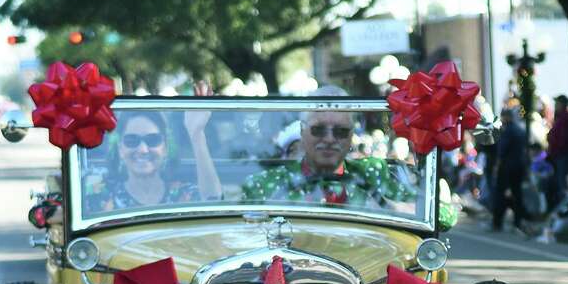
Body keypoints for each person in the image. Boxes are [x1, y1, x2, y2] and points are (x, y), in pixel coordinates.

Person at [243, 86, 412, 208]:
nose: (330, 139)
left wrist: (391, 209)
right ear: (302, 131)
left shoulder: (373, 173)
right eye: (318, 130)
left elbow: (425, 211)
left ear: (352, 135)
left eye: (340, 131)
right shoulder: (266, 184)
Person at [89, 83, 220, 214]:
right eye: (131, 141)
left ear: (166, 148)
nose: (143, 150)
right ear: (120, 149)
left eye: (153, 140)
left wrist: (196, 134)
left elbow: (214, 203)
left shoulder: (185, 194)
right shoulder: (101, 197)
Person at [490, 108, 530, 232]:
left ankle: (497, 222)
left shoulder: (507, 131)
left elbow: (502, 150)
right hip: (519, 166)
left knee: (501, 194)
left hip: (507, 167)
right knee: (517, 194)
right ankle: (517, 221)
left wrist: (497, 165)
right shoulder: (521, 130)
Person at [545, 95, 568, 211]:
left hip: (563, 155)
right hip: (559, 155)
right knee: (558, 183)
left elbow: (564, 139)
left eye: (557, 103)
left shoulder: (565, 118)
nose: (555, 106)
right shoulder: (561, 117)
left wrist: (554, 144)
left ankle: (564, 209)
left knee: (562, 184)